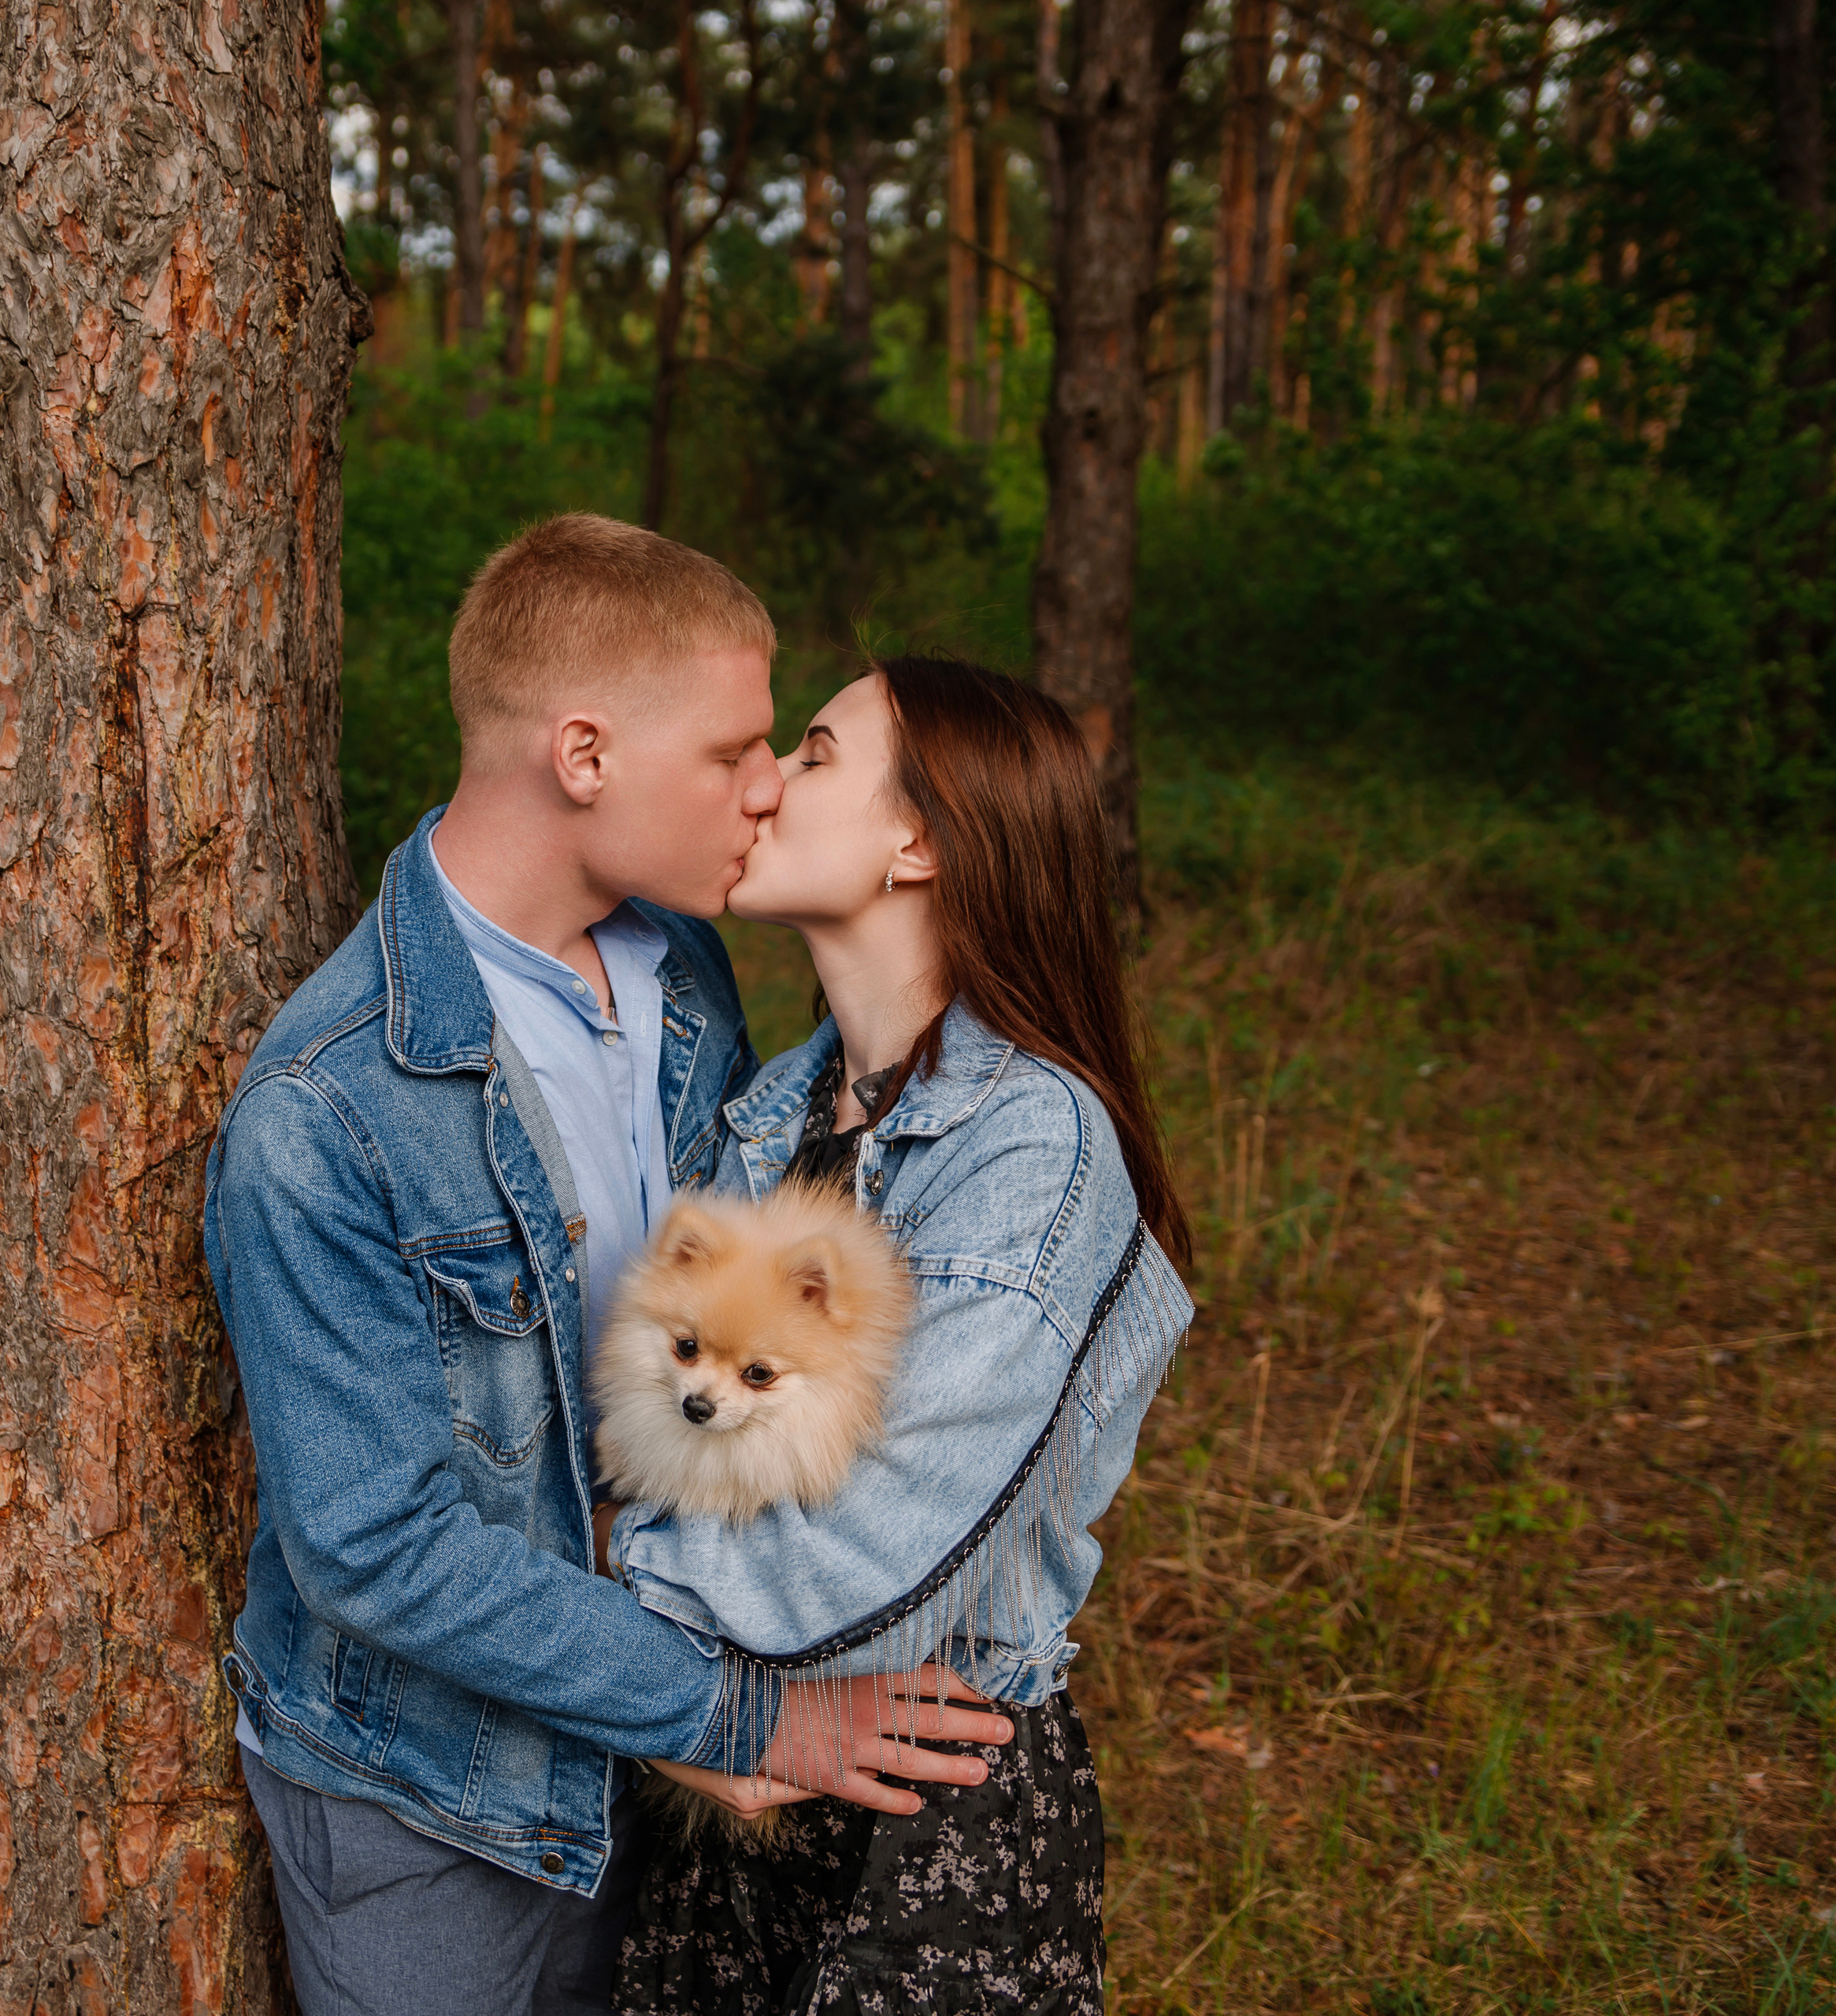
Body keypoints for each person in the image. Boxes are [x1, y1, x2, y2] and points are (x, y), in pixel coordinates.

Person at [203, 519, 1013, 2016]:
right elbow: (376, 1546)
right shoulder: (327, 1114)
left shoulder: (687, 976)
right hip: (430, 1794)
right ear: (583, 754)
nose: (767, 787)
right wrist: (743, 1713)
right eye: (734, 749)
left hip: (654, 1746)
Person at [599, 657, 1196, 2014]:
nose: (766, 784)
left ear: (917, 842)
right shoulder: (775, 1115)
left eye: (813, 755)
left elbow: (866, 1569)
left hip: (921, 1825)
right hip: (733, 1812)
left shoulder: (1034, 1146)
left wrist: (596, 1574)